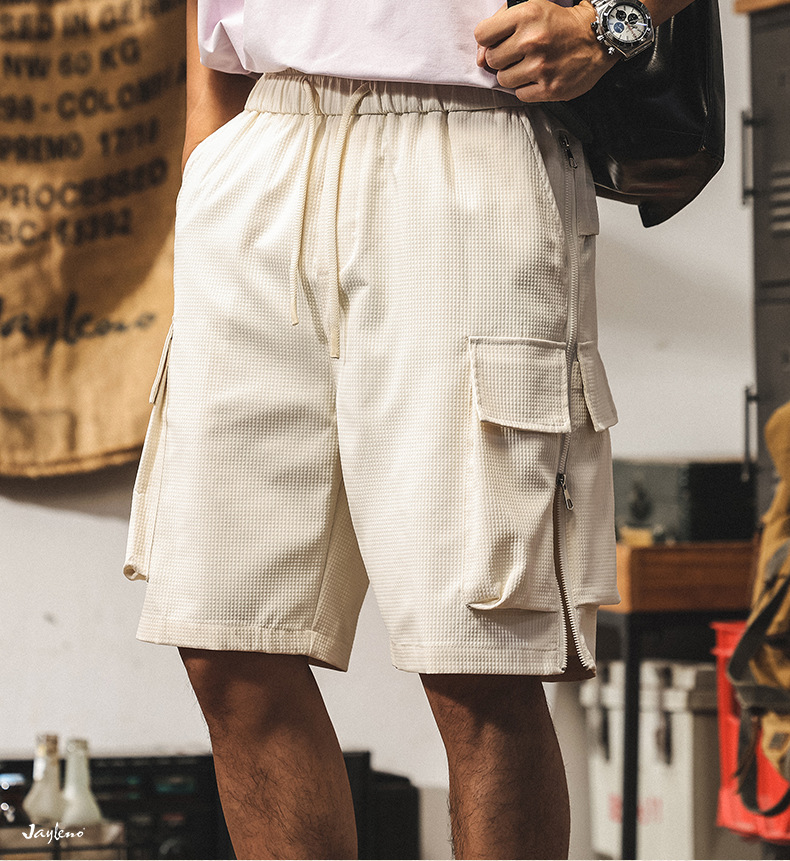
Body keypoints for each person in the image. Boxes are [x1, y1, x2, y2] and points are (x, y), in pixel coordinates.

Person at [124, 0, 693, 857]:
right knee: (225, 640)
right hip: (260, 138)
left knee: (478, 654)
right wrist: (204, 161)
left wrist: (611, 20)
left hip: (465, 134)